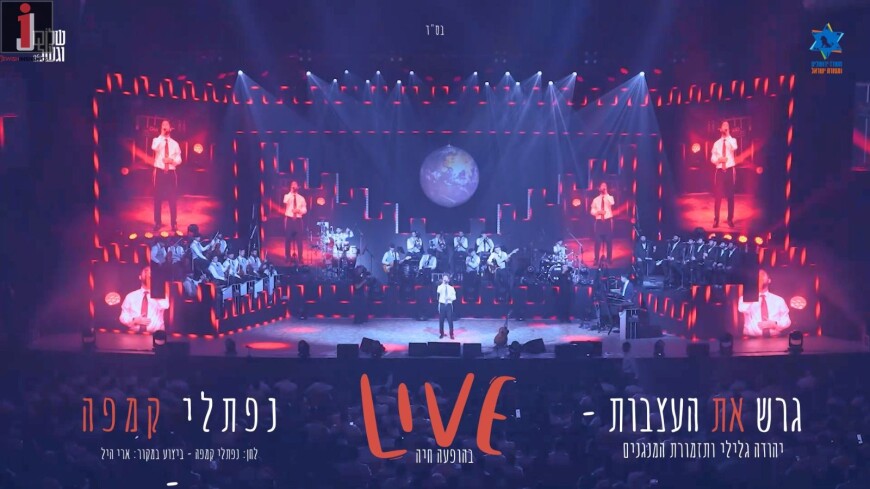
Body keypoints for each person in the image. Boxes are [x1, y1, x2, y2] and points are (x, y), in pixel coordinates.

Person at [738, 269, 791, 337]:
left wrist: (774, 324)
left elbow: (787, 321)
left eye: (763, 275)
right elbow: (742, 309)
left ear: (769, 280)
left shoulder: (779, 300)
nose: (760, 278)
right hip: (751, 340)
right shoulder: (745, 298)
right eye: (758, 276)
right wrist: (756, 290)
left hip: (775, 339)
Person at [151, 120, 183, 232]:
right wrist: (162, 135)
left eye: (167, 125)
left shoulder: (175, 144)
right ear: (161, 128)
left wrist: (172, 161)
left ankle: (174, 223)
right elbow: (154, 148)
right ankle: (157, 222)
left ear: (170, 128)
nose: (165, 127)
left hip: (171, 173)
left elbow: (179, 159)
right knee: (157, 199)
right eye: (163, 125)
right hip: (159, 172)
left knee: (172, 199)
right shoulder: (156, 140)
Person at [119, 266, 169, 333]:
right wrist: (134, 320)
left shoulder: (160, 294)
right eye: (146, 271)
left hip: (155, 335)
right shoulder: (130, 296)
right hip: (134, 335)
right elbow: (123, 316)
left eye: (150, 273)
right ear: (140, 277)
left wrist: (153, 288)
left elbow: (165, 306)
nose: (148, 274)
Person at [711, 121, 738, 228]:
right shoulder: (716, 143)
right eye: (724, 125)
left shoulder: (732, 140)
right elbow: (712, 157)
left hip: (729, 170)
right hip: (719, 171)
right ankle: (716, 219)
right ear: (720, 128)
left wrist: (728, 135)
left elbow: (734, 147)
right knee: (718, 196)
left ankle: (730, 219)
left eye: (727, 126)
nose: (725, 127)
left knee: (730, 196)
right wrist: (718, 160)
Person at [590, 182, 615, 265]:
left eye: (605, 186)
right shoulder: (596, 199)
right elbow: (592, 210)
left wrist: (606, 193)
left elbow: (612, 203)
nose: (604, 187)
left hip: (607, 221)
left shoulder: (610, 197)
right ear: (599, 188)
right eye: (602, 186)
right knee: (597, 241)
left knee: (609, 241)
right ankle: (596, 259)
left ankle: (609, 258)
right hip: (599, 222)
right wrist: (598, 212)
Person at [283, 181, 307, 264]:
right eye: (292, 185)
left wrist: (299, 210)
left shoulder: (301, 198)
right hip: (289, 219)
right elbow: (285, 201)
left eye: (295, 185)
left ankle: (300, 257)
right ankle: (287, 257)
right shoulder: (287, 196)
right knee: (288, 239)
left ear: (298, 187)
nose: (294, 186)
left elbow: (305, 209)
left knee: (299, 239)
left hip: (298, 220)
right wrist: (291, 192)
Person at [436, 274, 456, 339]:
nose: (445, 279)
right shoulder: (440, 287)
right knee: (441, 320)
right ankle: (441, 333)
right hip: (442, 305)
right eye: (444, 278)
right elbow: (438, 291)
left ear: (448, 280)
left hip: (449, 305)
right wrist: (443, 283)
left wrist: (449, 298)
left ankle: (451, 334)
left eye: (446, 278)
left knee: (450, 320)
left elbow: (454, 297)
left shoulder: (451, 288)